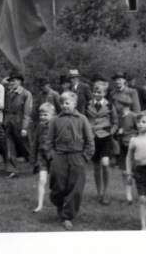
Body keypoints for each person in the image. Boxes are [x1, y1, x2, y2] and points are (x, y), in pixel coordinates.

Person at [46, 92, 94, 231]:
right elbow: (49, 141)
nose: (64, 106)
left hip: (77, 157)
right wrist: (52, 156)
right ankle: (59, 204)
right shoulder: (55, 120)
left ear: (74, 104)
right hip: (59, 157)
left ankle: (67, 217)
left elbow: (90, 140)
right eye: (62, 103)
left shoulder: (82, 119)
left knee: (76, 188)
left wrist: (85, 156)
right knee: (58, 186)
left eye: (67, 103)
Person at [85, 80, 116, 205]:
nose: (97, 94)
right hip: (92, 138)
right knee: (96, 166)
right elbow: (84, 119)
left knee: (105, 163)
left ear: (104, 93)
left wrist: (111, 132)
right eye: (95, 91)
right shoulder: (87, 105)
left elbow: (115, 121)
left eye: (99, 92)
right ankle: (99, 193)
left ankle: (106, 191)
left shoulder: (109, 106)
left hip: (105, 137)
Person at [2, 71, 33, 178]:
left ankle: (37, 163)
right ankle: (12, 170)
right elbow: (6, 109)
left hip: (20, 122)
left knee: (25, 146)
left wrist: (24, 127)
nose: (11, 83)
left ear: (20, 81)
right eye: (10, 81)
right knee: (9, 146)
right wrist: (5, 121)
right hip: (8, 122)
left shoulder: (26, 94)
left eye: (13, 81)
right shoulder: (9, 93)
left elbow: (27, 112)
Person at [30, 102, 56, 213]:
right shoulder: (40, 127)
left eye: (45, 115)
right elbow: (35, 142)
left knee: (56, 182)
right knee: (42, 180)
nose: (42, 117)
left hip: (54, 157)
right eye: (41, 115)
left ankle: (58, 202)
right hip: (42, 157)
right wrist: (33, 158)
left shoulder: (56, 126)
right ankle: (39, 205)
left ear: (52, 115)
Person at [114, 94, 138, 205]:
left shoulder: (133, 116)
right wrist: (118, 133)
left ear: (122, 105)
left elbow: (141, 131)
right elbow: (116, 134)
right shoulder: (119, 117)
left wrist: (132, 137)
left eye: (117, 104)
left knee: (135, 172)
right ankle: (129, 197)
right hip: (123, 148)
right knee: (124, 172)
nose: (115, 106)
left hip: (133, 149)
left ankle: (143, 192)